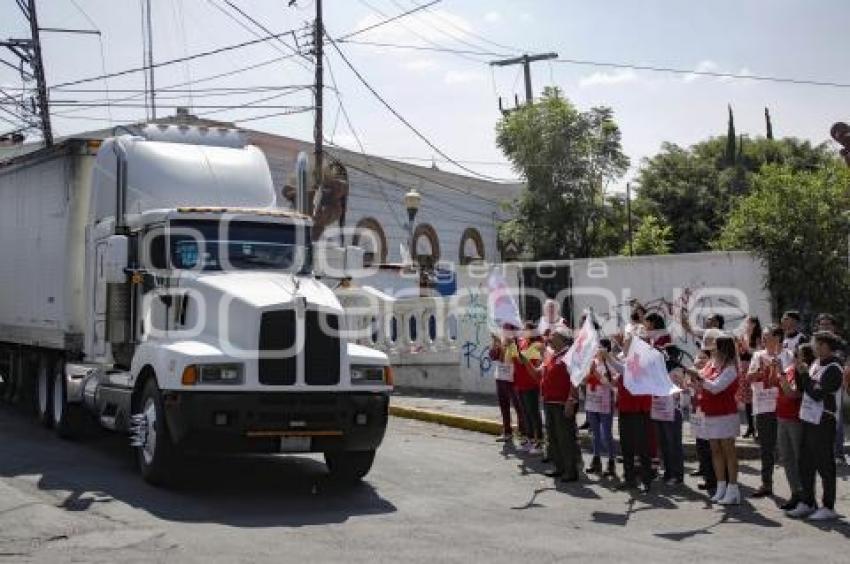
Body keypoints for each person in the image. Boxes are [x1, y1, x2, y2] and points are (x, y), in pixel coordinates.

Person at [787, 331, 845, 521]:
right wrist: (798, 370)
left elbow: (816, 394)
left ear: (826, 346)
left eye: (817, 344)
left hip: (824, 421)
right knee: (805, 463)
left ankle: (828, 506)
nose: (814, 347)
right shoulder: (815, 364)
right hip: (807, 419)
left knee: (824, 464)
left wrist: (805, 374)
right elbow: (805, 388)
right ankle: (807, 502)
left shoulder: (835, 368)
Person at [688, 334, 741, 505]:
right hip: (710, 412)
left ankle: (733, 490)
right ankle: (721, 487)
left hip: (725, 414)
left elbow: (716, 388)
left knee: (728, 451)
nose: (712, 349)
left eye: (716, 346)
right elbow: (701, 382)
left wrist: (698, 376)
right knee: (715, 451)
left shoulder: (731, 368)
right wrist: (694, 377)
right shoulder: (711, 363)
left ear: (723, 348)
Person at [528, 325, 581, 482]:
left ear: (561, 339)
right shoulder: (551, 356)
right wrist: (526, 362)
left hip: (562, 402)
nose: (550, 338)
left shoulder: (569, 355)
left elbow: (575, 380)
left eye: (553, 336)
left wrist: (571, 400)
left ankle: (571, 471)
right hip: (549, 401)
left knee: (565, 438)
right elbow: (538, 375)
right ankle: (559, 467)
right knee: (553, 437)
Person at [746, 325, 793, 498]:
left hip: (783, 407)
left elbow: (791, 380)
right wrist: (762, 370)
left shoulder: (788, 356)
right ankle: (766, 483)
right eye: (763, 336)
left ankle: (796, 488)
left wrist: (778, 369)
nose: (763, 339)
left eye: (767, 336)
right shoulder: (758, 355)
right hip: (764, 407)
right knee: (766, 447)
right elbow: (749, 377)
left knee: (788, 449)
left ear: (778, 338)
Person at [608, 329, 654, 493]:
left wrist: (608, 357)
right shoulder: (626, 357)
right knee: (626, 445)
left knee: (642, 446)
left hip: (639, 407)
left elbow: (625, 370)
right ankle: (629, 479)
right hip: (626, 406)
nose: (624, 343)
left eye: (628, 341)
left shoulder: (643, 359)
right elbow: (619, 372)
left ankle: (646, 479)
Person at [775, 343, 810, 511]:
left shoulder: (804, 374)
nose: (796, 359)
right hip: (782, 418)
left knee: (799, 459)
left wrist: (780, 373)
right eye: (795, 355)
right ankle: (795, 493)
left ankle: (806, 497)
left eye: (799, 356)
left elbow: (792, 394)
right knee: (787, 458)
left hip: (796, 420)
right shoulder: (789, 369)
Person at [814, 313, 849, 466]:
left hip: (836, 386)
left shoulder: (840, 343)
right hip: (818, 385)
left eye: (828, 324)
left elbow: (844, 361)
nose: (825, 326)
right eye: (822, 324)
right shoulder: (814, 342)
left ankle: (838, 453)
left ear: (833, 327)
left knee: (837, 419)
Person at [510, 322, 545, 455]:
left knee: (533, 413)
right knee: (525, 413)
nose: (523, 332)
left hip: (531, 384)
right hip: (520, 383)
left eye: (526, 330)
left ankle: (540, 442)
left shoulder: (537, 345)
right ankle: (530, 439)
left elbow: (523, 361)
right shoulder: (522, 343)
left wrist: (516, 348)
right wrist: (512, 345)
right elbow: (512, 359)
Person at [653, 344, 686, 485]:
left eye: (665, 354)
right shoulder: (659, 369)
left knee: (673, 444)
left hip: (673, 411)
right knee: (664, 443)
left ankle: (677, 475)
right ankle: (668, 472)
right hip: (659, 410)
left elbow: (679, 389)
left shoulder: (678, 369)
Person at [584, 338, 617, 478]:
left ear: (606, 350)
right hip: (592, 402)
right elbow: (584, 381)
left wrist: (595, 373)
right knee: (595, 433)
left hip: (604, 403)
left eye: (599, 348)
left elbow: (610, 384)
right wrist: (588, 371)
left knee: (606, 435)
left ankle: (611, 462)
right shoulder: (592, 362)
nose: (596, 351)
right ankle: (596, 460)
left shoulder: (611, 365)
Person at [489, 326, 524, 442]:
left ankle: (523, 432)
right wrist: (495, 343)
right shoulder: (500, 341)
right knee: (504, 406)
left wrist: (511, 344)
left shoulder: (519, 342)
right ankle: (507, 432)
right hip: (500, 377)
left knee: (519, 407)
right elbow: (493, 356)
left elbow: (519, 359)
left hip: (512, 379)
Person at [737, 316, 763, 439]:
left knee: (755, 398)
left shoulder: (758, 337)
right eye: (747, 322)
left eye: (750, 322)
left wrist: (746, 346)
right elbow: (739, 353)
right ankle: (750, 426)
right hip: (743, 368)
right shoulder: (743, 336)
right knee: (747, 400)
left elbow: (757, 352)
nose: (748, 324)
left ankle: (757, 428)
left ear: (755, 324)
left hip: (753, 368)